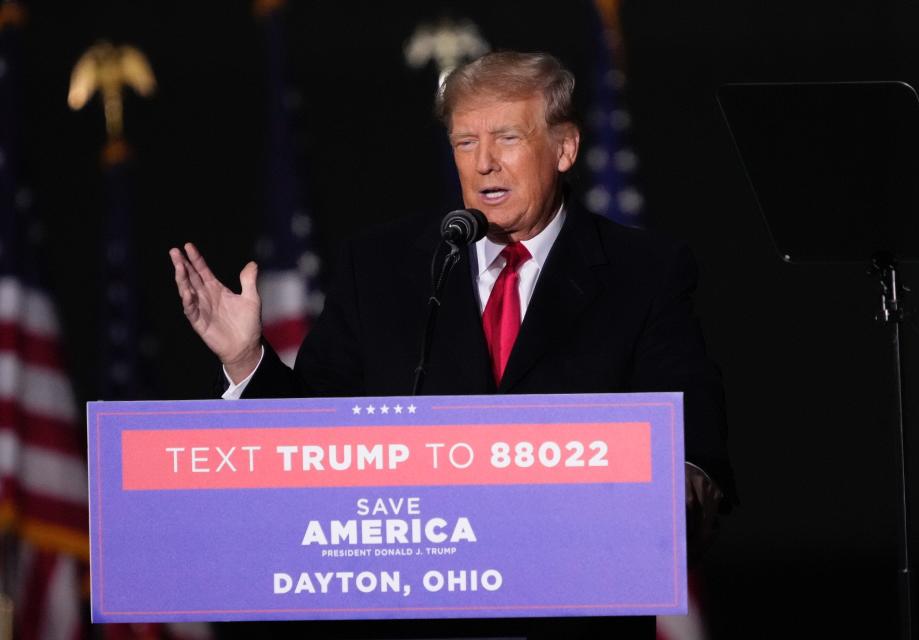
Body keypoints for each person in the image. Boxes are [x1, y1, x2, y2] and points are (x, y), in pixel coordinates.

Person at [170, 51, 733, 639]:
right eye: (465, 144)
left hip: (574, 617)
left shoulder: (643, 272)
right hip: (413, 620)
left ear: (564, 148)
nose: (484, 164)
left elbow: (695, 439)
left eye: (507, 138)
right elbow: (310, 440)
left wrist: (676, 490)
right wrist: (244, 359)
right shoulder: (381, 270)